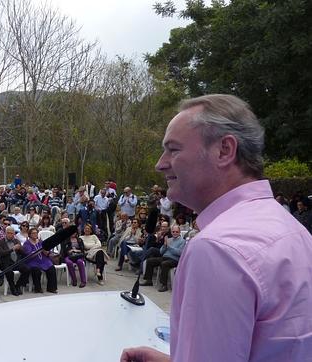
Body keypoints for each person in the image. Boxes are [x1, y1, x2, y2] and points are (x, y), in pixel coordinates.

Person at [121, 94, 312, 362]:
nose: (160, 163)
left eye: (173, 149)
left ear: (224, 150)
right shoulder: (292, 229)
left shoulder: (217, 249)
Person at [140, 225, 186, 292]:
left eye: (176, 232)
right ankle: (148, 280)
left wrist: (169, 246)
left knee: (164, 264)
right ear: (171, 232)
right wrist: (164, 245)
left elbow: (179, 253)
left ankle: (164, 285)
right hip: (165, 257)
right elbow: (161, 252)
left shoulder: (182, 241)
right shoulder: (169, 240)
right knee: (150, 261)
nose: (175, 233)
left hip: (174, 259)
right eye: (173, 232)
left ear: (179, 232)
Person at [21, 228, 57, 294]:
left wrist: (45, 250)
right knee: (36, 270)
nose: (35, 234)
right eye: (33, 233)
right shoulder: (27, 243)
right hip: (32, 261)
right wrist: (40, 250)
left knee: (51, 268)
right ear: (29, 235)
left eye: (36, 233)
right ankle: (38, 288)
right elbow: (30, 255)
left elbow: (46, 252)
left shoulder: (40, 241)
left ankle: (51, 288)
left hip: (43, 259)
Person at [0, 226, 28, 296]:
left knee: (26, 270)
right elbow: (0, 253)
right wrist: (12, 249)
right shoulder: (0, 242)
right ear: (5, 233)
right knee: (9, 272)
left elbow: (24, 253)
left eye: (12, 233)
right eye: (8, 233)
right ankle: (13, 288)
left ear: (14, 234)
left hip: (16, 262)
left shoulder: (16, 241)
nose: (10, 235)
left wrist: (20, 249)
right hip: (5, 263)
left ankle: (18, 286)